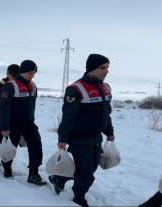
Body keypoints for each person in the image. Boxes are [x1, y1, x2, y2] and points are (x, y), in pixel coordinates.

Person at [49, 54, 115, 207]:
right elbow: (68, 117)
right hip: (79, 138)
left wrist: (109, 132)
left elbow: (106, 114)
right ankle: (79, 198)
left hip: (96, 137)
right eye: (103, 68)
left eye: (107, 68)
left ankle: (59, 179)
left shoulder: (105, 88)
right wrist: (62, 139)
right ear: (91, 68)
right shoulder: (75, 89)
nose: (106, 71)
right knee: (86, 174)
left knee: (89, 169)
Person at [0, 60, 45, 186]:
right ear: (22, 72)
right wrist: (4, 127)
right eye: (30, 73)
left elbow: (32, 105)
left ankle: (33, 174)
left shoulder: (33, 86)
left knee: (36, 145)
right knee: (10, 148)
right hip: (12, 124)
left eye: (34, 73)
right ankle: (7, 169)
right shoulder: (10, 86)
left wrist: (32, 120)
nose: (32, 75)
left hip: (29, 123)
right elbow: (3, 108)